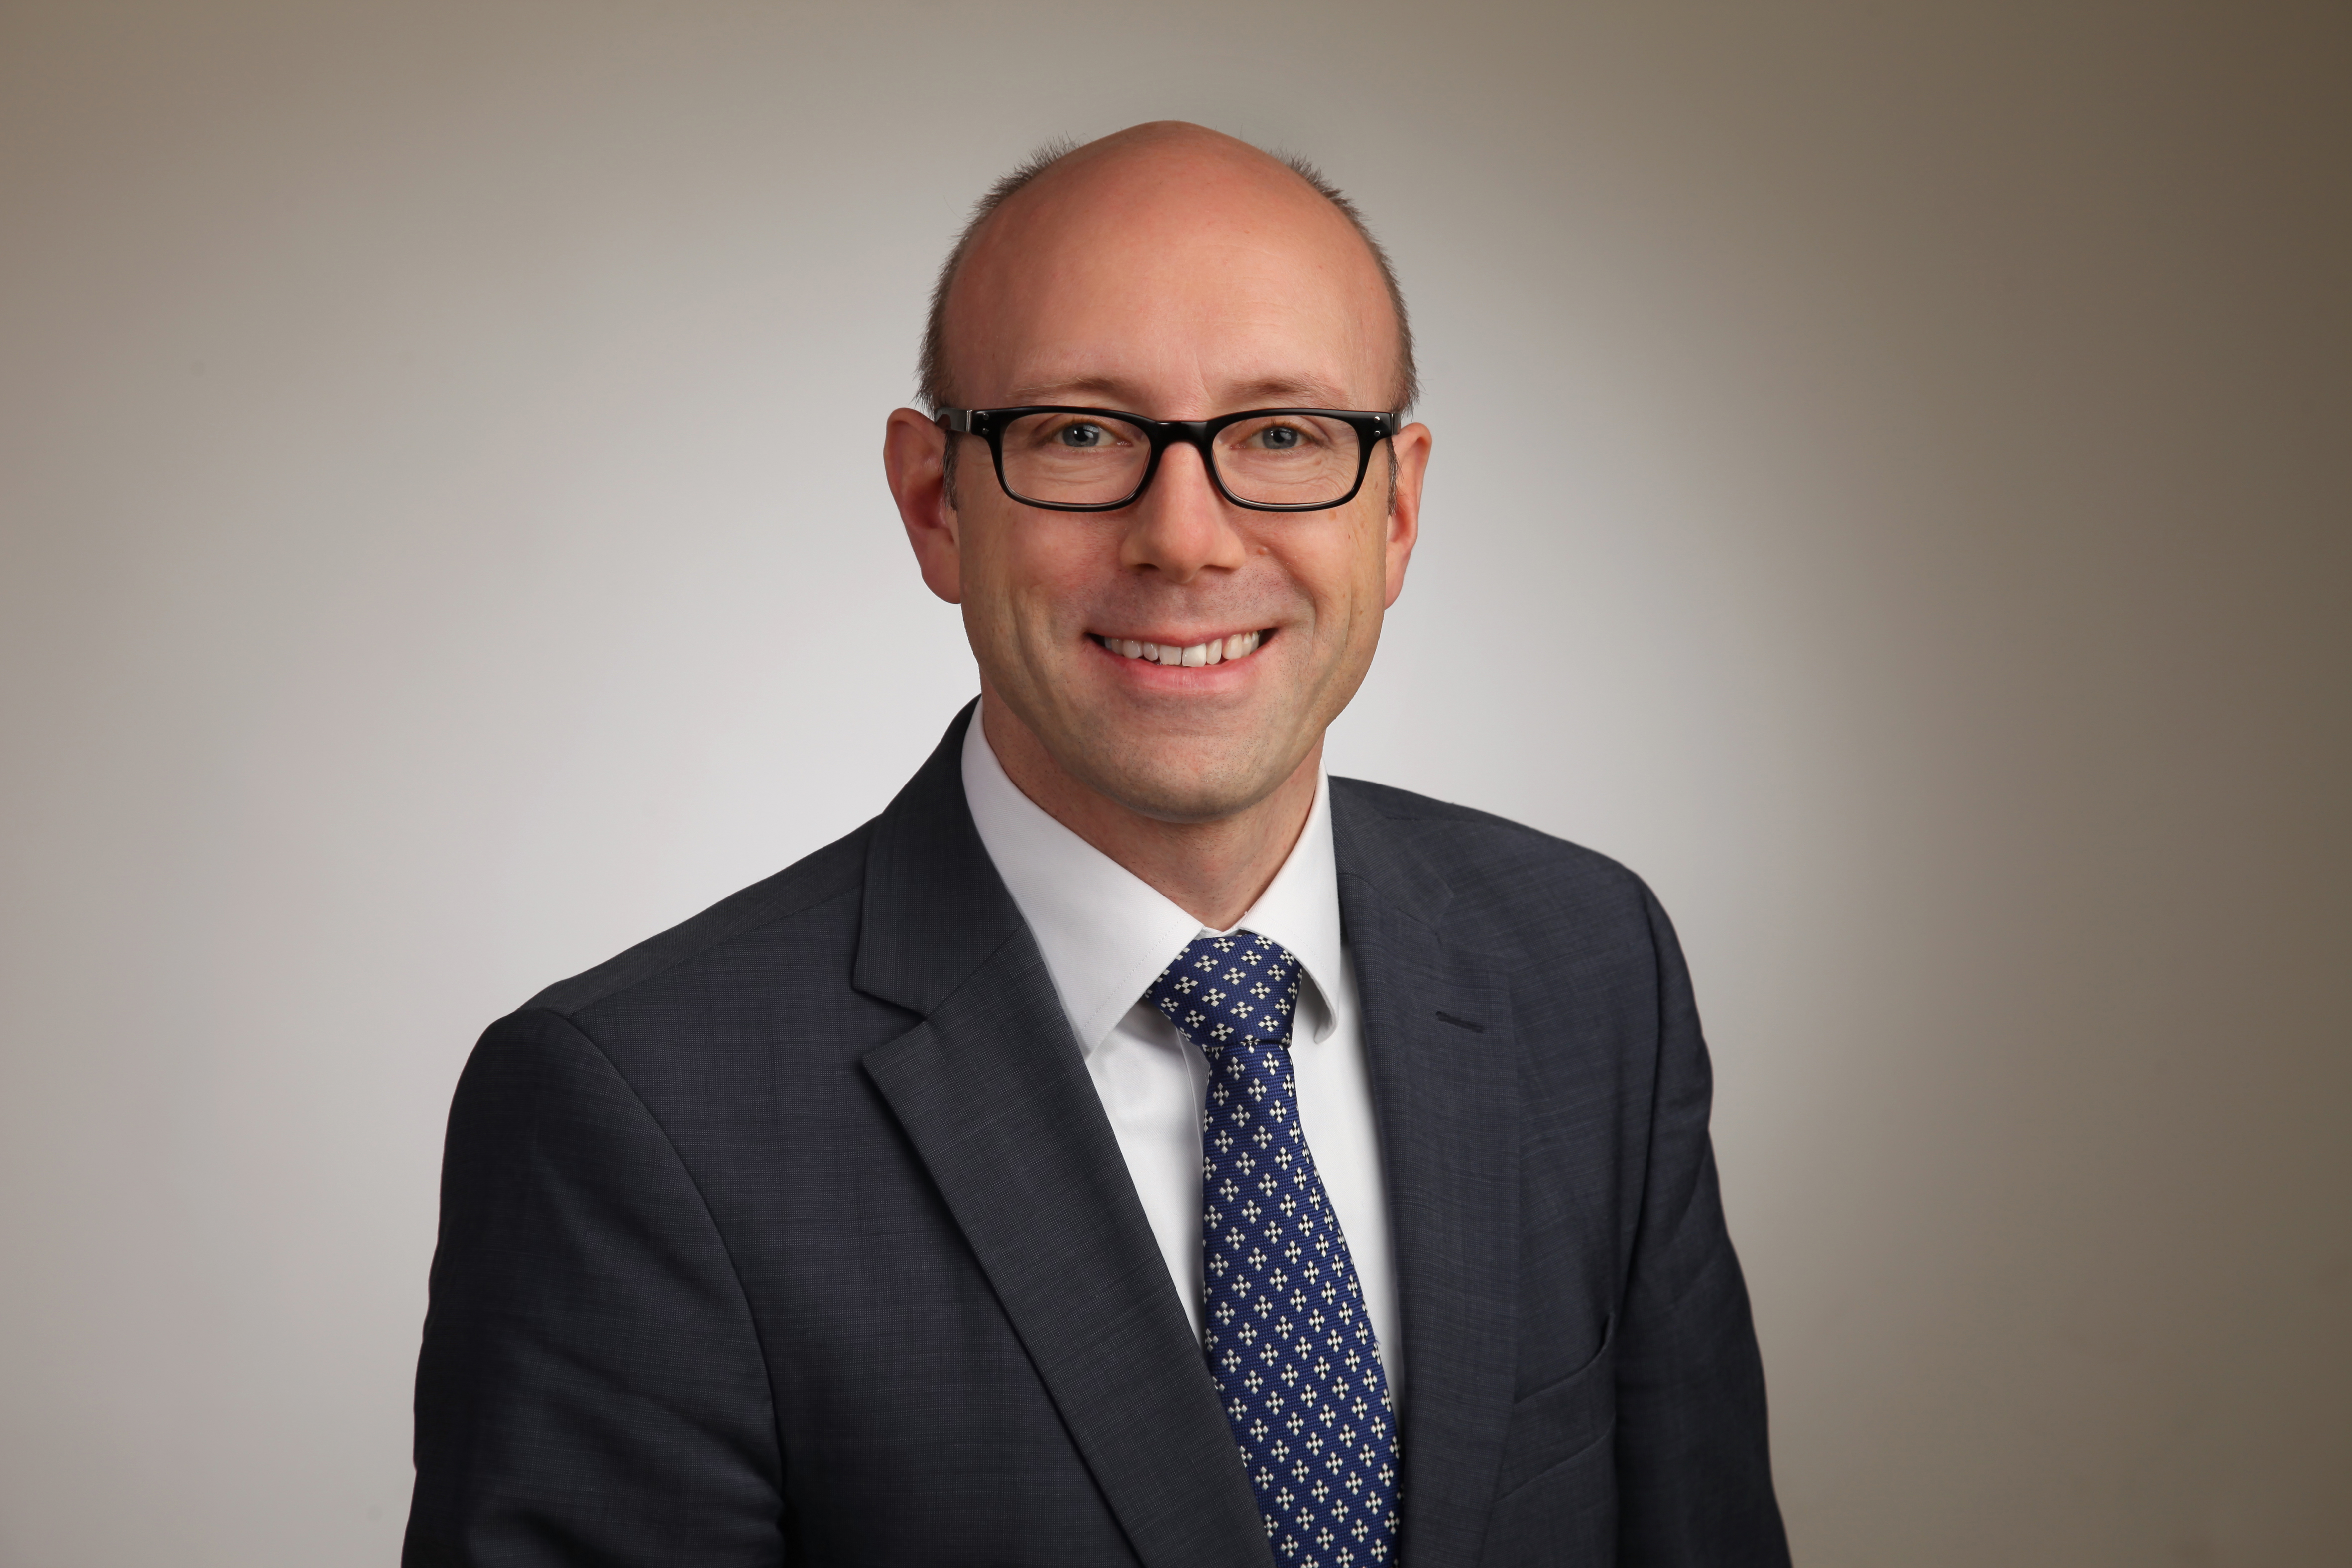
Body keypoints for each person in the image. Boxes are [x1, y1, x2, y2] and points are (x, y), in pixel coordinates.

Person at [404, 121, 1789, 1568]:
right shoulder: (637, 1113)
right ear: (936, 504)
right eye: (1080, 433)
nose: (1186, 539)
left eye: (1282, 435)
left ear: (1396, 509)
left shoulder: (1589, 968)